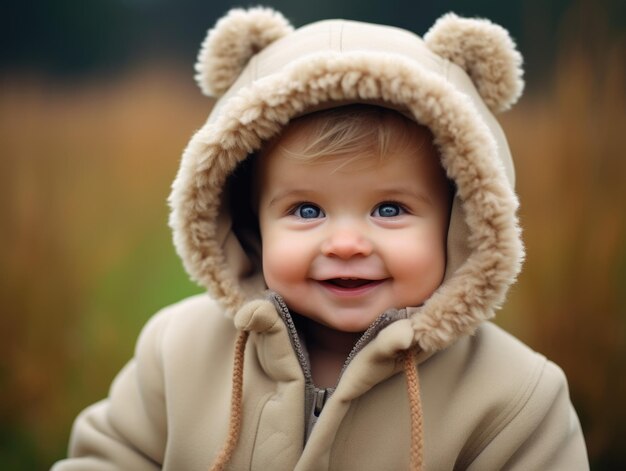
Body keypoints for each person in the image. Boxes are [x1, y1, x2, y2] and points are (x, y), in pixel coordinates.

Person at [52, 7, 589, 470]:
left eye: (389, 208)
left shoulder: (515, 398)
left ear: (460, 225)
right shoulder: (176, 352)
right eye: (307, 210)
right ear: (248, 222)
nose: (347, 244)